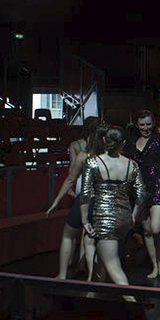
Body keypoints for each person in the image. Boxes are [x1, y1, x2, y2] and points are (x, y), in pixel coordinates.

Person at [80, 125, 147, 297]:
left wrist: (85, 220)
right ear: (123, 143)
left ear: (104, 140)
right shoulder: (131, 165)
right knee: (101, 263)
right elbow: (141, 195)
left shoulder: (93, 162)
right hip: (124, 218)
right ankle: (90, 298)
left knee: (112, 264)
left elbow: (85, 193)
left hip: (104, 219)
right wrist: (133, 216)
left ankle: (132, 303)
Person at [46, 117, 102, 280]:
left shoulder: (83, 154)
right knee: (91, 238)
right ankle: (91, 276)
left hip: (84, 196)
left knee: (68, 234)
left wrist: (56, 200)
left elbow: (71, 178)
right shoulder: (108, 155)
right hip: (101, 200)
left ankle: (62, 274)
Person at [124, 107, 160, 279]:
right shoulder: (130, 144)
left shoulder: (158, 139)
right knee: (147, 230)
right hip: (140, 189)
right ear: (137, 125)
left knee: (157, 228)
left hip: (158, 185)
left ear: (153, 124)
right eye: (142, 125)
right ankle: (155, 265)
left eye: (148, 124)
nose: (146, 128)